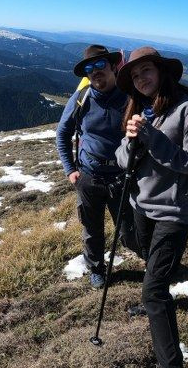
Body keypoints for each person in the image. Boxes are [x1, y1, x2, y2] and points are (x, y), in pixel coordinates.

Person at [115, 46, 188, 368]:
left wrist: (153, 139)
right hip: (143, 204)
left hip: (173, 211)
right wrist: (131, 140)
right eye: (136, 76)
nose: (141, 79)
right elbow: (125, 160)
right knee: (142, 251)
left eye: (147, 72)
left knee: (153, 291)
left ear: (162, 73)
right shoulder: (141, 110)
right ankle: (157, 292)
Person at [56, 44, 135, 289]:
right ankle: (97, 269)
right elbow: (62, 134)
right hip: (89, 176)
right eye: (89, 68)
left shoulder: (130, 97)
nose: (95, 71)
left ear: (113, 66)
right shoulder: (82, 98)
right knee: (92, 230)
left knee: (129, 230)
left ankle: (148, 262)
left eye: (100, 65)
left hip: (122, 177)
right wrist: (71, 171)